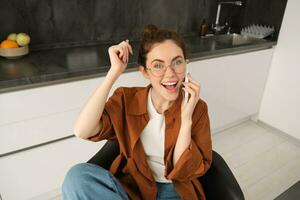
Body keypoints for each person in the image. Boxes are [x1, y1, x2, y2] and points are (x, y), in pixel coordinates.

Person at [62, 25, 212, 200]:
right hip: (132, 186)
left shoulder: (198, 108)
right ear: (144, 72)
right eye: (158, 66)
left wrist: (186, 118)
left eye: (177, 62)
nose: (170, 73)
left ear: (186, 64)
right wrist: (113, 72)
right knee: (77, 177)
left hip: (174, 190)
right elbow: (82, 130)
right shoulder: (127, 99)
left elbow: (183, 170)